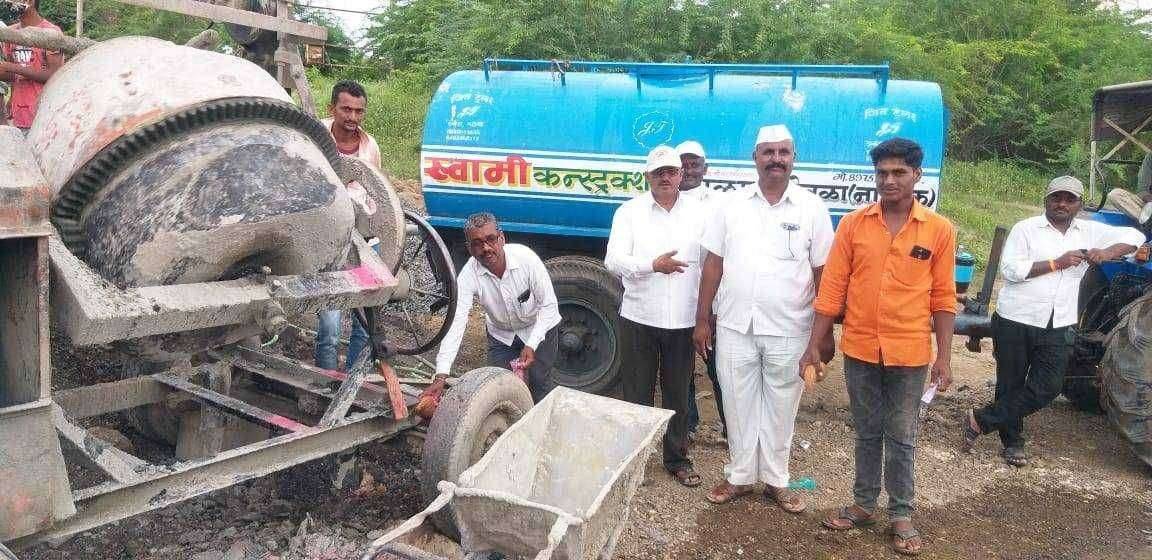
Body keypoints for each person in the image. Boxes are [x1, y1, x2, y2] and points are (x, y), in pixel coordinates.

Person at [801, 137, 956, 556]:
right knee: (867, 431)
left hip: (909, 353)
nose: (888, 180)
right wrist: (815, 345)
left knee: (902, 434)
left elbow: (943, 298)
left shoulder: (938, 230)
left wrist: (944, 356)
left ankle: (901, 512)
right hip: (861, 349)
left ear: (916, 175)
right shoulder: (853, 224)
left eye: (898, 173)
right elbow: (831, 289)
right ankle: (864, 503)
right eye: (882, 173)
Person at [694, 125, 834, 511]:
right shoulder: (730, 205)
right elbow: (712, 266)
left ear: (793, 159)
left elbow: (825, 274)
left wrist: (823, 335)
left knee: (781, 407)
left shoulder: (812, 209)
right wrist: (703, 320)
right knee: (737, 405)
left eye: (783, 152)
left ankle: (776, 479)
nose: (776, 159)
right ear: (755, 158)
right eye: (768, 152)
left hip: (792, 328)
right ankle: (739, 476)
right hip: (737, 325)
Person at [963, 176, 1144, 467]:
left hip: (1058, 321)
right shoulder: (1026, 229)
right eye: (1056, 198)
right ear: (1046, 201)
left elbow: (1136, 237)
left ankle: (981, 420)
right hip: (1016, 317)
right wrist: (1056, 263)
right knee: (1011, 382)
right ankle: (1013, 442)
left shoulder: (1090, 230)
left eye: (1069, 199)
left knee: (1048, 386)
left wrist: (1107, 253)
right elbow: (1010, 270)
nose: (1062, 204)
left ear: (1079, 205)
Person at [606, 145, 707, 487]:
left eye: (671, 171)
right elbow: (613, 261)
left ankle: (676, 458)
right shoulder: (629, 213)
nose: (665, 177)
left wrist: (709, 315)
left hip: (682, 319)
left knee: (678, 392)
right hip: (639, 317)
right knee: (637, 392)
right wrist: (652, 265)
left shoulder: (700, 214)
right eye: (658, 172)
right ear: (647, 176)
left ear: (682, 175)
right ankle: (634, 460)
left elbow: (711, 265)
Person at [425, 212, 561, 403]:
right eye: (477, 243)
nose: (486, 248)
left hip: (538, 327)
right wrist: (441, 374)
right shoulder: (467, 277)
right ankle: (511, 429)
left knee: (540, 383)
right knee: (500, 388)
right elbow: (456, 323)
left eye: (490, 239)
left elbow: (549, 307)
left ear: (502, 238)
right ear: (469, 248)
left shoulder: (527, 260)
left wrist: (532, 343)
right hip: (501, 336)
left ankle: (542, 426)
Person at [314, 80, 383, 371]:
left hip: (365, 239)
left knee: (364, 322)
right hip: (327, 240)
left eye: (359, 111)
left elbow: (378, 191)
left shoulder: (370, 147)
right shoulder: (314, 137)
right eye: (346, 110)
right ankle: (324, 381)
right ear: (332, 108)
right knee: (329, 325)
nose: (352, 117)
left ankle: (354, 382)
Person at [676, 140, 727, 441]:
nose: (690, 170)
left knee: (719, 370)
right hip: (678, 304)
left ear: (705, 169)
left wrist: (714, 308)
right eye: (684, 164)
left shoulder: (719, 205)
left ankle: (731, 429)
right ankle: (688, 427)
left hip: (709, 304)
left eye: (695, 164)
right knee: (681, 370)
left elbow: (720, 259)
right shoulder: (666, 201)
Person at [0, 0, 63, 130]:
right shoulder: (11, 33)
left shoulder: (51, 32)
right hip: (19, 115)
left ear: (30, 1)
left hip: (44, 116)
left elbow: (55, 75)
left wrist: (10, 67)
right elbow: (14, 76)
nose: (10, 2)